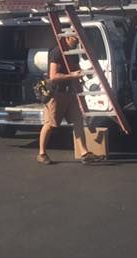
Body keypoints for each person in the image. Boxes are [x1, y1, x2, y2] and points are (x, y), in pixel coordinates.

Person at [37, 33, 101, 165]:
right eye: (75, 39)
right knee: (50, 124)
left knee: (78, 121)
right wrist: (72, 75)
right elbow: (53, 76)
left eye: (78, 39)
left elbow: (75, 70)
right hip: (56, 93)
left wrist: (85, 72)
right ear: (67, 38)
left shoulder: (72, 52)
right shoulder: (57, 52)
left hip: (69, 93)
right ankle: (42, 153)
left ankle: (84, 153)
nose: (77, 42)